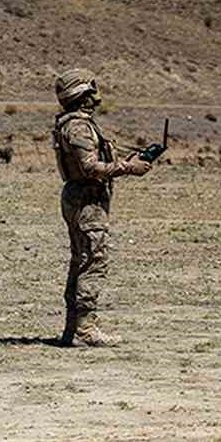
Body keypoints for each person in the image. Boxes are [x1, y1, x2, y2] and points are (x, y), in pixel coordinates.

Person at [51, 68, 154, 347]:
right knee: (93, 261)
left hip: (83, 198)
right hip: (87, 200)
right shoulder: (78, 126)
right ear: (81, 95)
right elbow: (89, 167)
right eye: (91, 93)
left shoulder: (74, 123)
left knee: (82, 260)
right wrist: (128, 168)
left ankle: (74, 329)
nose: (96, 99)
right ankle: (85, 330)